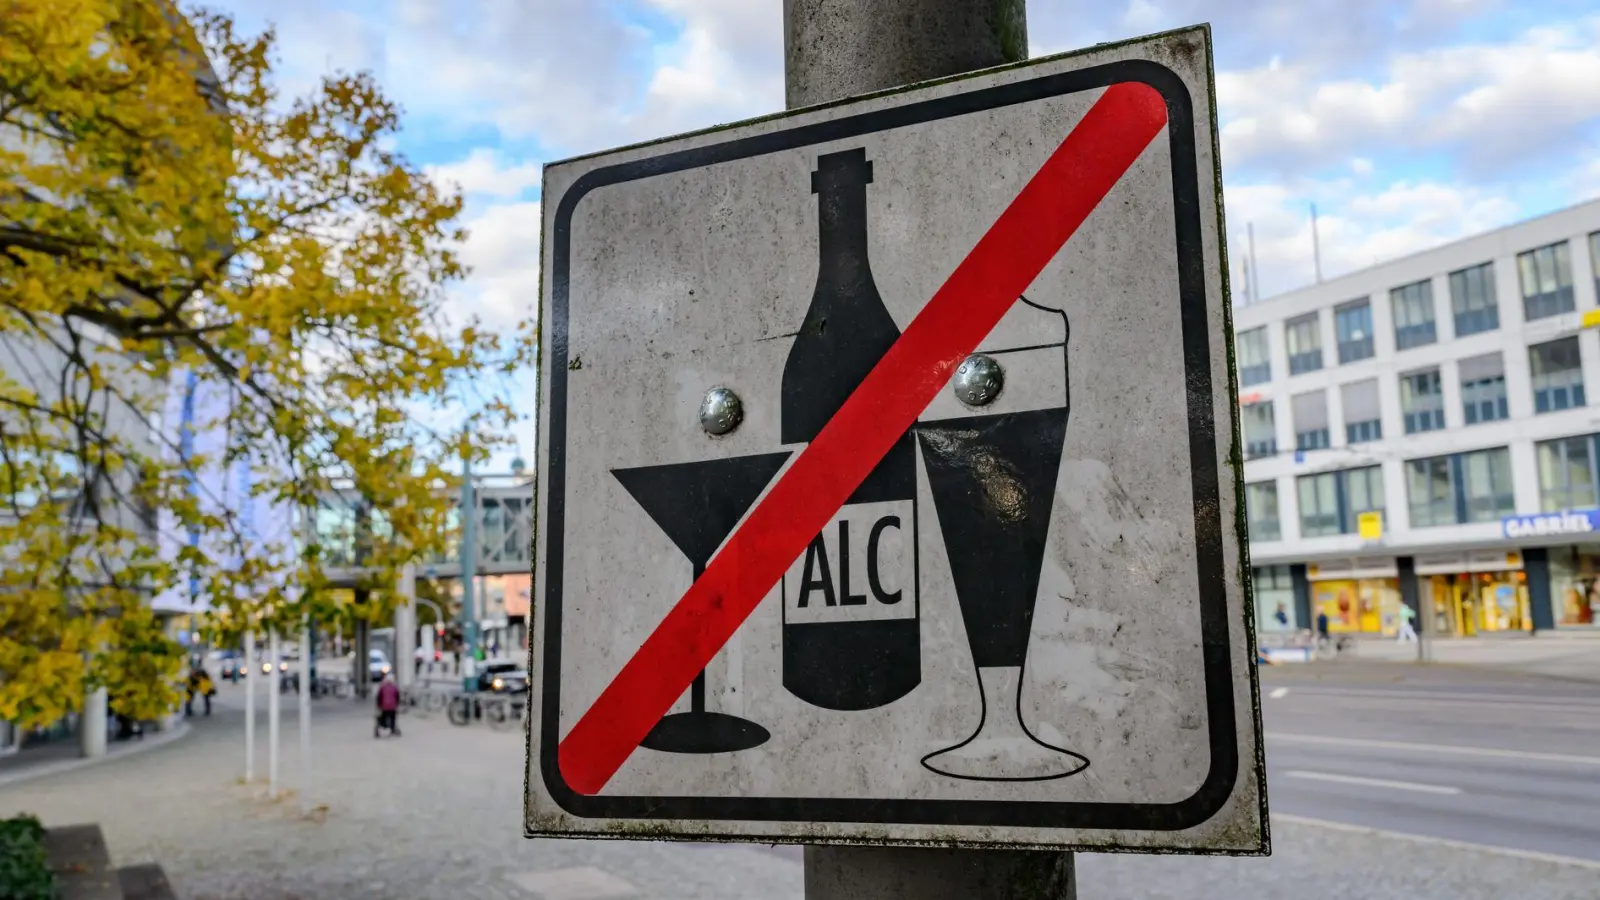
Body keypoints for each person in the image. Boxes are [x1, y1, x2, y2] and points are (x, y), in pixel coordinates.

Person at [375, 673, 401, 738]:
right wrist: (397, 704)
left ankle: (380, 727)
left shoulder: (382, 687)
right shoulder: (395, 687)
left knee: (381, 717)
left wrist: (379, 705)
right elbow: (397, 697)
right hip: (392, 706)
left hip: (384, 706)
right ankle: (392, 728)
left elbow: (379, 697)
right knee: (393, 717)